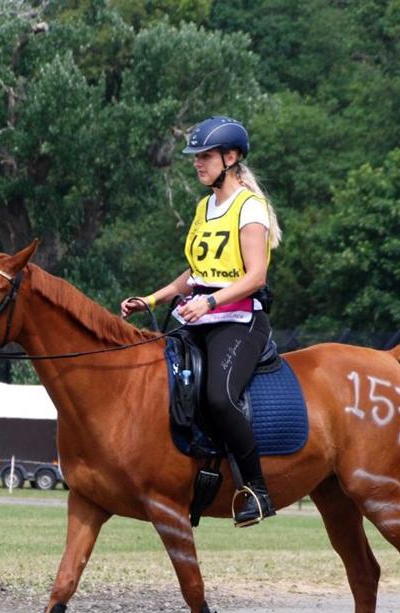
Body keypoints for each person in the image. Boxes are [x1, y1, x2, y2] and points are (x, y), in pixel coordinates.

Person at [121, 115, 283, 527]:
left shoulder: (251, 208)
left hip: (240, 320)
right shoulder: (203, 206)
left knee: (218, 397)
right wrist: (153, 298)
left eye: (205, 156)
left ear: (231, 158)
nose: (197, 163)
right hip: (197, 318)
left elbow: (255, 276)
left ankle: (257, 491)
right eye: (195, 156)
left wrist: (209, 304)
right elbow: (194, 274)